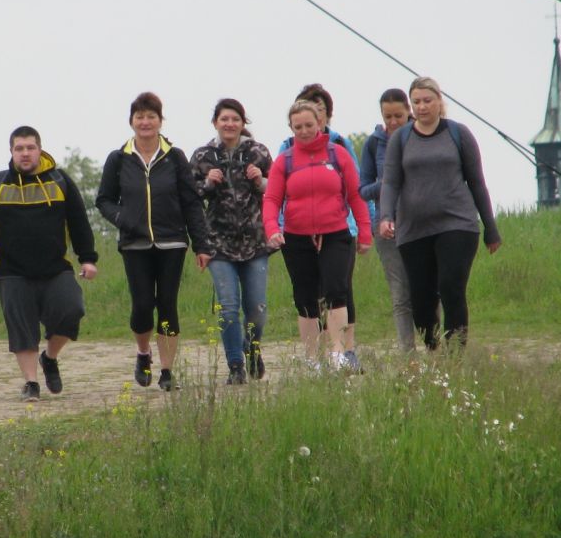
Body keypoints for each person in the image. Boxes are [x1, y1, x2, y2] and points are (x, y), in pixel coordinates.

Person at [0, 126, 99, 402]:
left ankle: (49, 357)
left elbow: (78, 221)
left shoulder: (60, 181)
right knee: (22, 328)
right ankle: (31, 383)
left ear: (39, 150)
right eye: (19, 149)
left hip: (56, 268)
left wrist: (87, 258)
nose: (25, 153)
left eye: (30, 148)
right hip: (12, 271)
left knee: (72, 309)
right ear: (11, 152)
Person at [97, 92, 213, 392]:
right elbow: (104, 200)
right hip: (134, 244)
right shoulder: (118, 158)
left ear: (161, 121)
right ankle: (143, 352)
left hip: (172, 242)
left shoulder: (174, 157)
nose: (145, 122)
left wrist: (201, 245)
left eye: (151, 116)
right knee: (142, 306)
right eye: (140, 116)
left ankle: (167, 371)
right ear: (131, 121)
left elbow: (191, 202)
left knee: (167, 304)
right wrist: (123, 218)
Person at [378, 76, 501, 350]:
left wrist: (490, 228)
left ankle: (455, 356)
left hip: (457, 224)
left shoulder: (458, 134)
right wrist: (386, 216)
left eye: (427, 100)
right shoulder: (401, 139)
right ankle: (433, 351)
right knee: (421, 299)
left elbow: (477, 182)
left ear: (439, 101)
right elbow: (391, 182)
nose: (422, 107)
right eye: (417, 102)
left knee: (451, 288)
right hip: (414, 229)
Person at [264, 98, 370, 370]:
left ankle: (338, 353)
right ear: (291, 128)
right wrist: (272, 229)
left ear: (320, 123)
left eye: (308, 125)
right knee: (305, 299)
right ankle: (312, 359)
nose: (304, 131)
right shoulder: (284, 161)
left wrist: (365, 232)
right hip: (296, 237)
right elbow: (272, 199)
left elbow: (356, 195)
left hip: (335, 233)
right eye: (297, 127)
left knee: (336, 292)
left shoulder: (338, 154)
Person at [190, 98, 274, 384]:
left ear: (243, 123)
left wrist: (260, 180)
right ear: (215, 122)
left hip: (255, 243)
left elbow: (278, 189)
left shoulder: (258, 152)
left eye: (235, 119)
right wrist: (207, 183)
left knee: (257, 309)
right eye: (224, 119)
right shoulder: (202, 155)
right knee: (228, 308)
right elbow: (189, 195)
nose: (229, 124)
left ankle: (252, 348)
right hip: (218, 244)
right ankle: (236, 365)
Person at [359, 88, 417, 352]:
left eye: (398, 116)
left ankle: (435, 346)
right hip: (387, 226)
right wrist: (386, 184)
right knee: (399, 292)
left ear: (408, 112)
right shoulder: (373, 144)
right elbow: (363, 190)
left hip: (422, 222)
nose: (393, 122)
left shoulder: (421, 136)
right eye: (388, 117)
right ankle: (408, 353)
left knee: (428, 288)